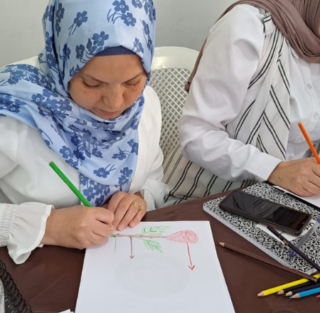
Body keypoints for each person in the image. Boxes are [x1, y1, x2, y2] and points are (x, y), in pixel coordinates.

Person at [0, 0, 167, 264]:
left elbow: (154, 172)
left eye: (132, 82)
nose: (115, 103)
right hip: (34, 278)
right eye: (92, 83)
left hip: (123, 267)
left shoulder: (145, 104)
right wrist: (47, 226)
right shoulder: (14, 111)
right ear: (63, 62)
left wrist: (139, 198)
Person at [178, 0, 320, 199]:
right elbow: (196, 134)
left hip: (295, 203)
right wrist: (273, 169)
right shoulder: (249, 25)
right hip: (217, 197)